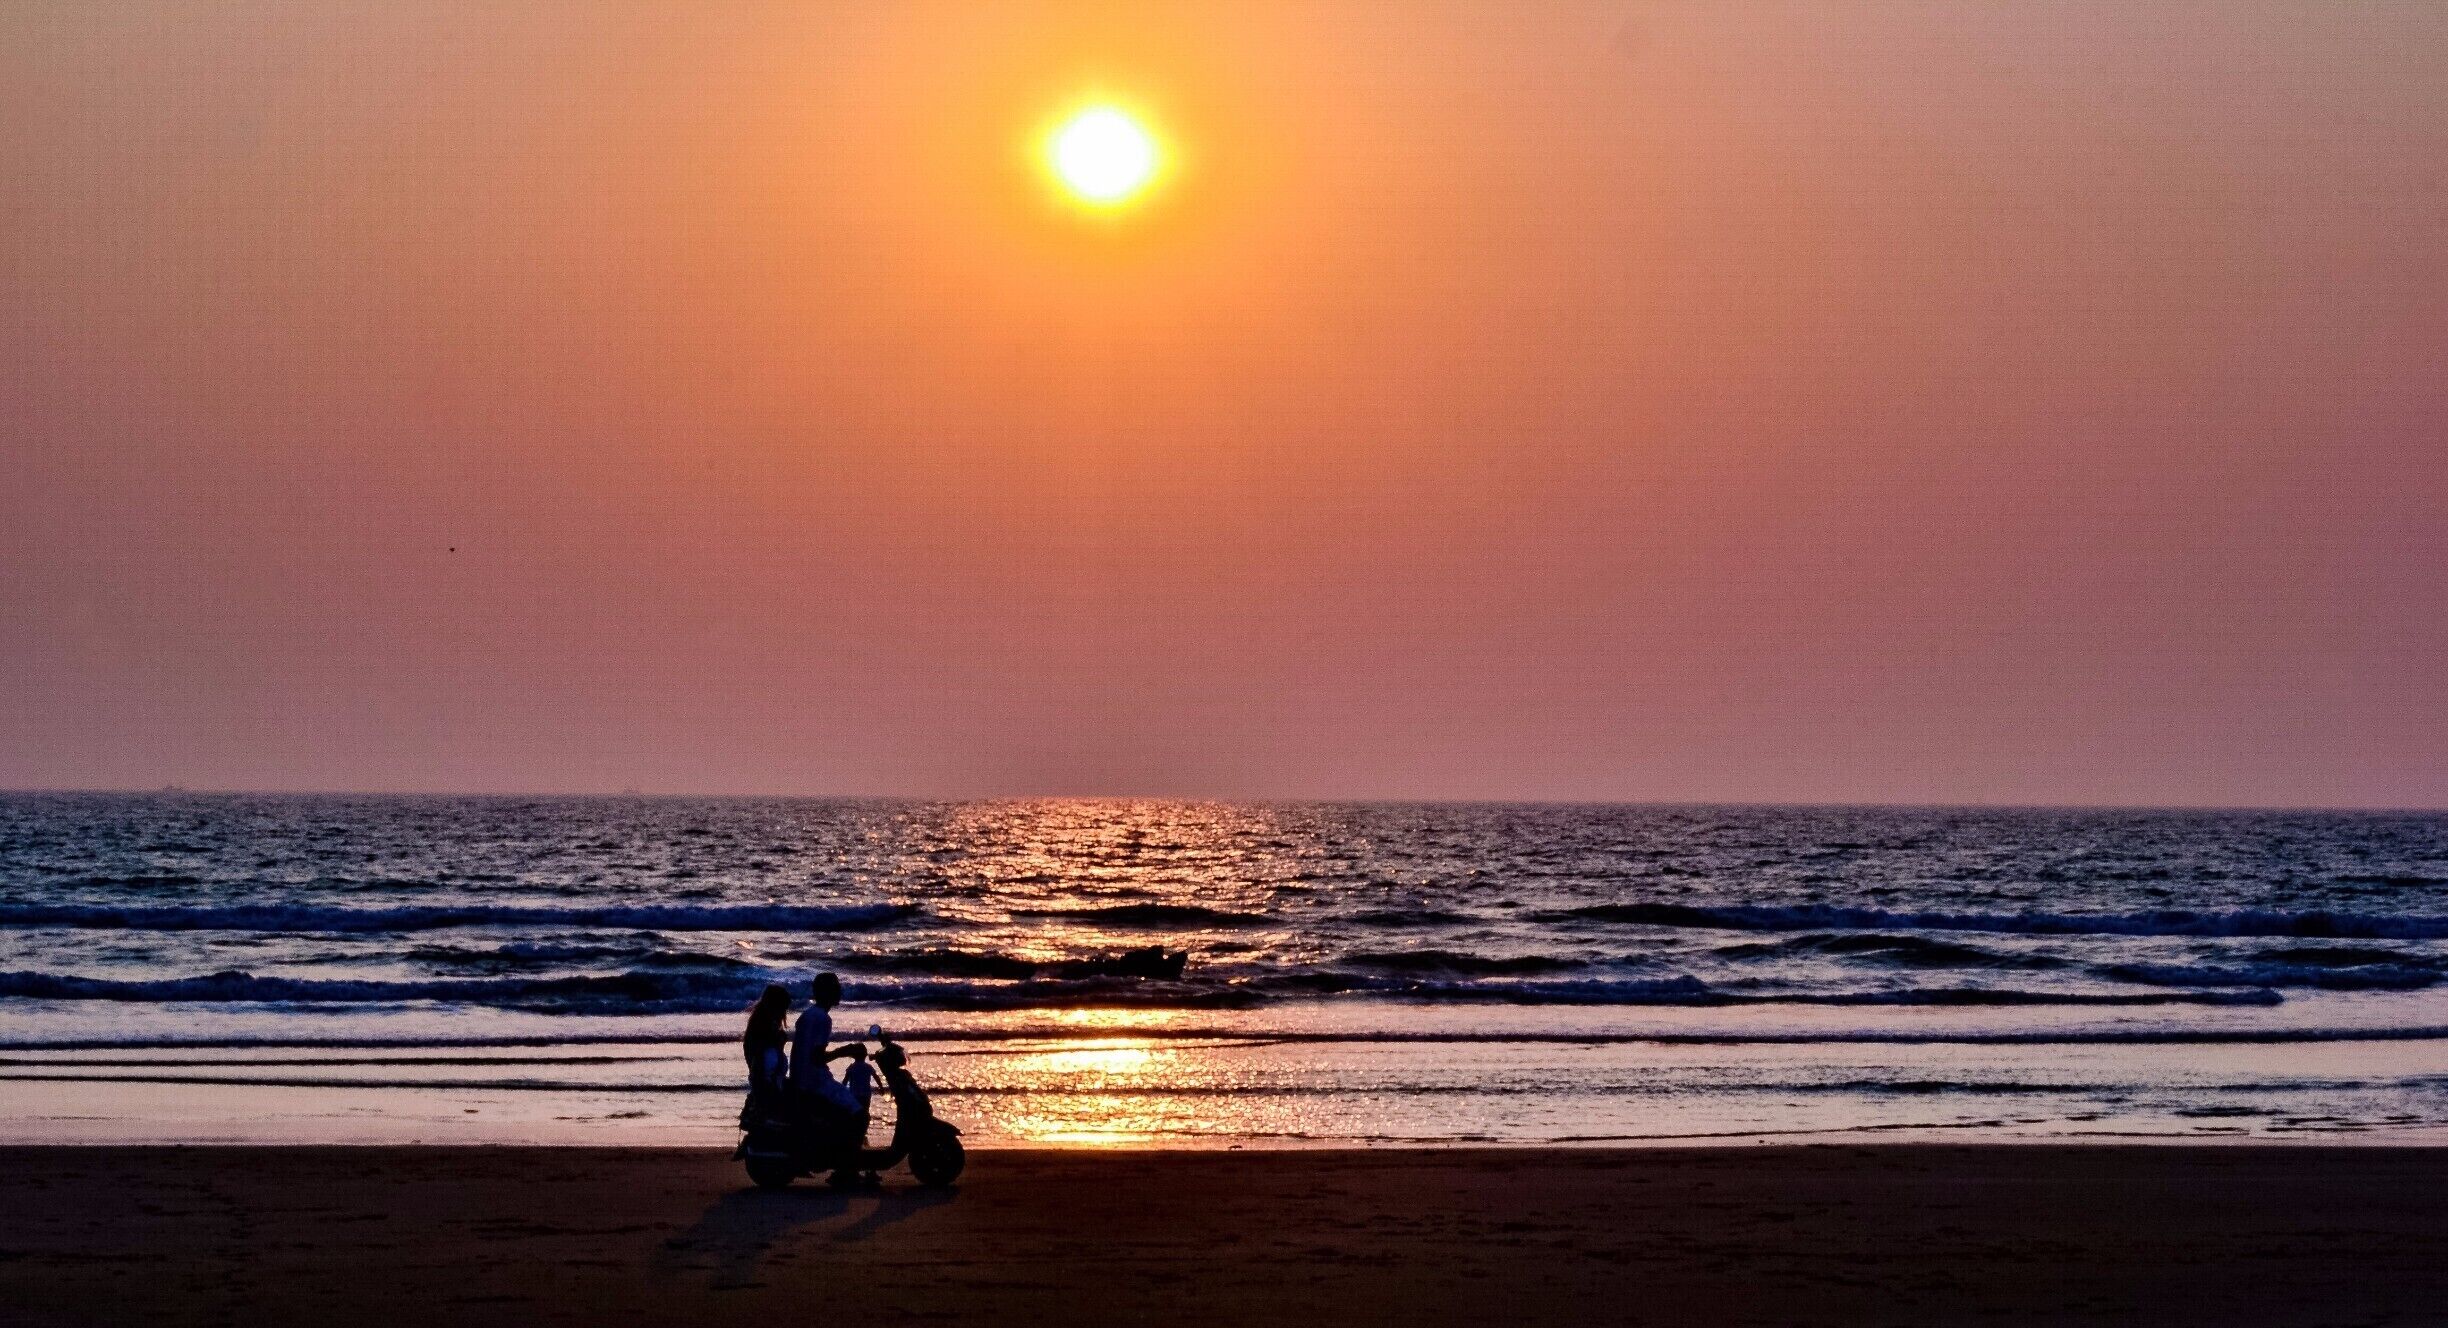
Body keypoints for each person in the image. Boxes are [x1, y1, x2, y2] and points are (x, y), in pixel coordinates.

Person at [789, 972, 865, 1115]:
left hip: (799, 1078)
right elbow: (817, 1058)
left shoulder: (807, 1015)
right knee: (860, 1114)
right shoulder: (823, 1018)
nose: (839, 992)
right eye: (836, 988)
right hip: (815, 1081)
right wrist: (844, 1051)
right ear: (827, 992)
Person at [742, 983, 792, 1101]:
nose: (783, 1015)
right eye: (783, 1009)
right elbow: (760, 1073)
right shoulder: (761, 1039)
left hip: (770, 1090)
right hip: (766, 1095)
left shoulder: (770, 1034)